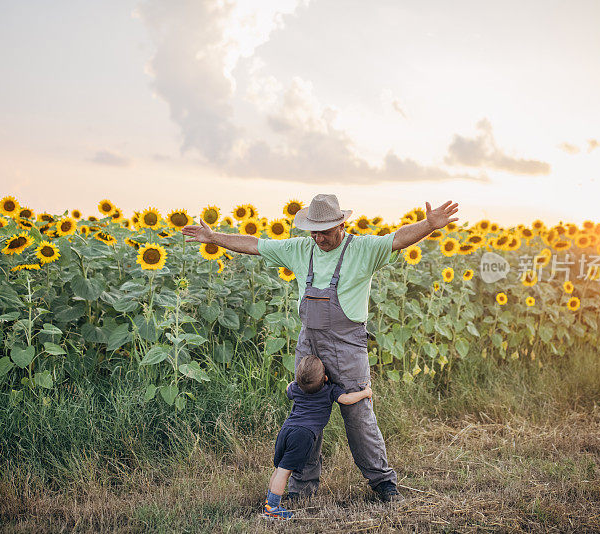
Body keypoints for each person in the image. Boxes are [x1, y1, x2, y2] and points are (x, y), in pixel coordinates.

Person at [182, 193, 459, 502]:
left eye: (325, 230)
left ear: (342, 224)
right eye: (314, 230)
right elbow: (255, 244)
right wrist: (212, 237)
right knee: (306, 415)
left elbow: (397, 239)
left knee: (358, 417)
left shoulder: (363, 249)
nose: (319, 237)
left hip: (348, 344)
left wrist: (429, 225)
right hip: (309, 344)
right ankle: (302, 489)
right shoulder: (300, 249)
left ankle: (383, 484)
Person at [263, 354, 373, 520]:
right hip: (303, 435)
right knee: (285, 472)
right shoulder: (329, 390)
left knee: (279, 469)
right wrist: (366, 393)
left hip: (286, 429)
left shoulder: (296, 388)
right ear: (326, 377)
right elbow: (346, 399)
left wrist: (296, 383)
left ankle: (269, 502)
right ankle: (272, 509)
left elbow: (288, 388)